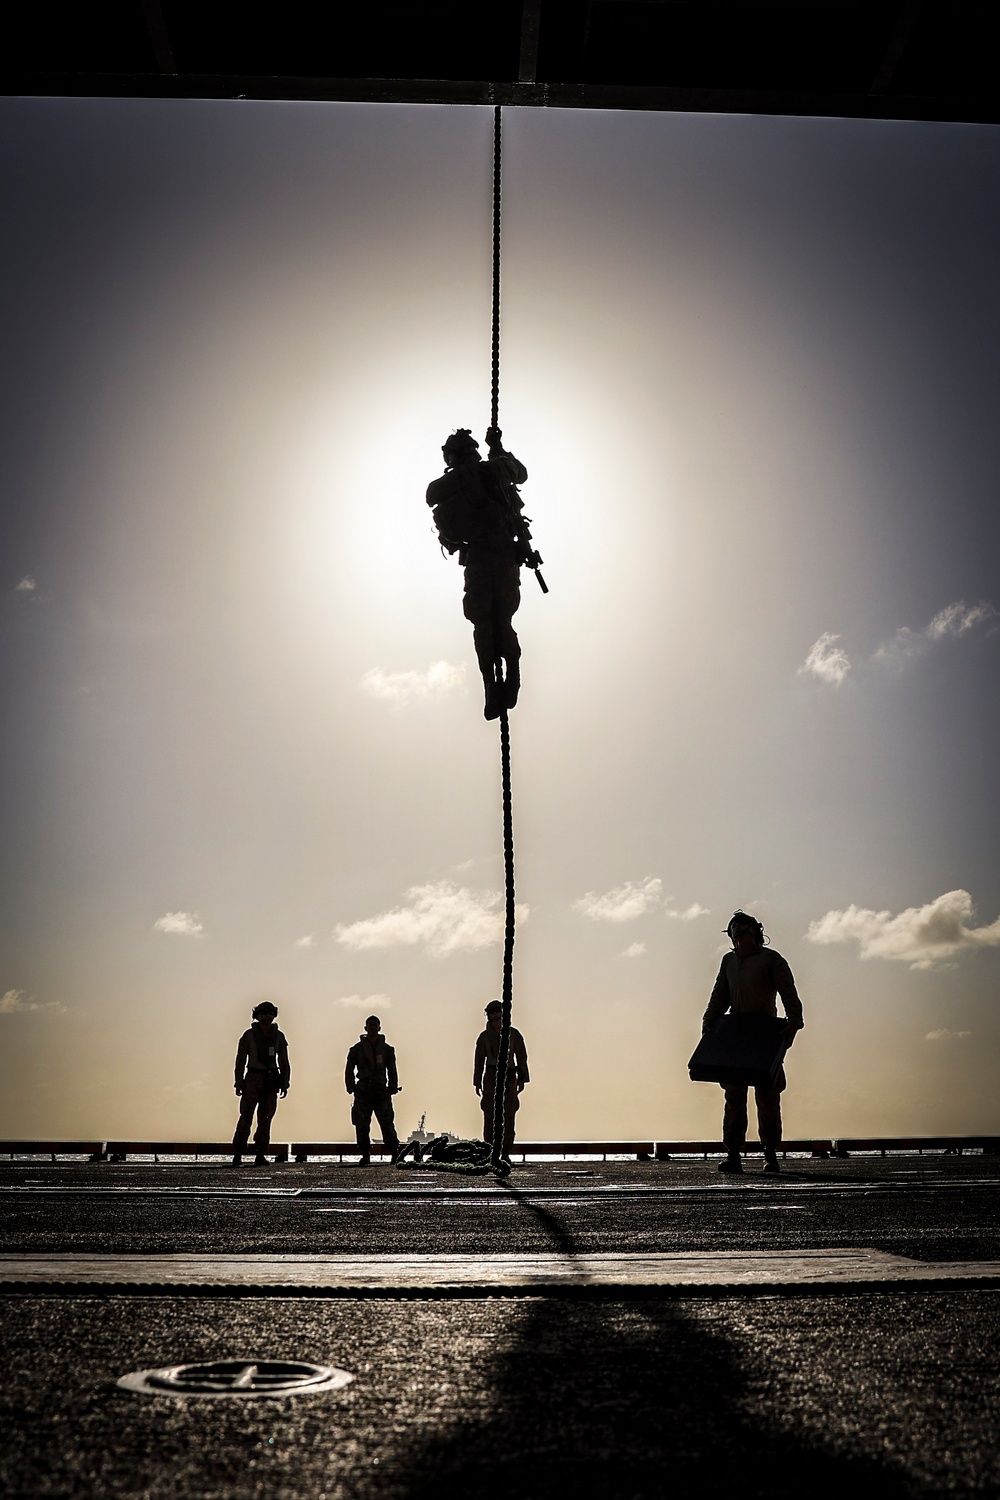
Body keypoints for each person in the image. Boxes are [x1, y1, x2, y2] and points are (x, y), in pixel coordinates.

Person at [426, 426, 532, 720]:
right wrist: (493, 456)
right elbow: (433, 497)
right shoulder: (458, 483)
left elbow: (518, 474)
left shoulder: (492, 471)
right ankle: (493, 683)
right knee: (487, 624)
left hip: (495, 556)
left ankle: (508, 678)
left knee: (495, 622)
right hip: (485, 558)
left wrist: (496, 452)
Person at [702, 911, 804, 1175]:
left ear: (756, 933)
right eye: (735, 932)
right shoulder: (728, 962)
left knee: (768, 1097)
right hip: (736, 1033)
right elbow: (719, 996)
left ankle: (770, 1154)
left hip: (765, 1034)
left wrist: (793, 1023)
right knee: (734, 1096)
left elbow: (789, 992)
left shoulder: (772, 960)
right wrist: (709, 1025)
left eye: (744, 931)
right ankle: (733, 1154)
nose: (739, 935)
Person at [232, 1000, 290, 1167]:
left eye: (270, 1012)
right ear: (257, 1015)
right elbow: (240, 1060)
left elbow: (284, 1061)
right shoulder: (248, 1035)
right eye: (264, 1012)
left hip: (271, 1080)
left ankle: (260, 1153)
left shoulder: (279, 1036)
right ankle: (238, 1153)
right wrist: (239, 1081)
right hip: (252, 1078)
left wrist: (285, 1082)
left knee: (266, 1119)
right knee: (246, 1116)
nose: (267, 1016)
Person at [474, 1000, 529, 1157]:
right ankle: (490, 1149)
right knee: (489, 1113)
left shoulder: (514, 1035)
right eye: (492, 1012)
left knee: (509, 1113)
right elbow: (479, 1060)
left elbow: (522, 1056)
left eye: (498, 1011)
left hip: (509, 1075)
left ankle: (505, 1151)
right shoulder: (484, 1037)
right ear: (489, 1015)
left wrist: (522, 1078)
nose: (496, 1014)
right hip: (491, 1076)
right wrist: (477, 1081)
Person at [345, 1015, 401, 1166]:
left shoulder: (387, 1050)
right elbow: (349, 1068)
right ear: (365, 1028)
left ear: (379, 1028)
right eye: (370, 1025)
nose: (372, 1028)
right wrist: (351, 1086)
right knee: (361, 1125)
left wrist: (393, 1087)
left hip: (381, 1092)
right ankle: (365, 1154)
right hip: (363, 1092)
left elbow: (392, 1070)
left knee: (387, 1124)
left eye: (375, 1025)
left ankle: (394, 1153)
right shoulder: (356, 1049)